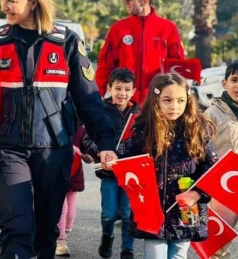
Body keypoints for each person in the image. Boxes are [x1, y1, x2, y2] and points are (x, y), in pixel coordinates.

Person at [0, 0, 117, 259]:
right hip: (5, 149)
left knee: (46, 231)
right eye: (3, 0)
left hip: (54, 150)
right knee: (16, 226)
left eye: (11, 0)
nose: (4, 7)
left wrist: (106, 146)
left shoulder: (67, 43)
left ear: (33, 0)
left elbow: (89, 101)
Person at [115, 73, 217, 259]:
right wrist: (111, 158)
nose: (174, 106)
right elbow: (127, 157)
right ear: (156, 100)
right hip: (152, 211)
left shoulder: (197, 128)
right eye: (167, 100)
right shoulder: (143, 128)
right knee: (155, 255)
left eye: (180, 100)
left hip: (186, 211)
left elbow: (211, 165)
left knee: (178, 254)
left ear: (188, 100)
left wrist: (198, 193)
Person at [82, 68, 139, 259]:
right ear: (109, 88)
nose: (122, 93)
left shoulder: (139, 115)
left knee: (128, 213)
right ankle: (107, 236)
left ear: (133, 91)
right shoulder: (100, 111)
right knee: (109, 213)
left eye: (126, 89)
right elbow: (87, 139)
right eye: (118, 88)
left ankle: (127, 249)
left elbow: (145, 142)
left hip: (131, 174)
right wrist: (99, 152)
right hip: (108, 173)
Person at [96, 0, 185, 103]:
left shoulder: (168, 28)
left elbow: (177, 67)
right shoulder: (118, 29)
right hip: (125, 102)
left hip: (157, 101)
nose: (126, 3)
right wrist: (97, 95)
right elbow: (105, 66)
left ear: (144, 1)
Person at [202, 62, 238, 259]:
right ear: (225, 83)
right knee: (219, 238)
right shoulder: (212, 114)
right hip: (224, 184)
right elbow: (200, 148)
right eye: (234, 80)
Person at [55, 125, 92, 257]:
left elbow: (86, 151)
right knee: (65, 204)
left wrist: (87, 156)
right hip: (64, 170)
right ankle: (62, 237)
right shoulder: (78, 127)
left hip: (70, 170)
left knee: (68, 206)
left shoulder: (79, 129)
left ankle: (63, 234)